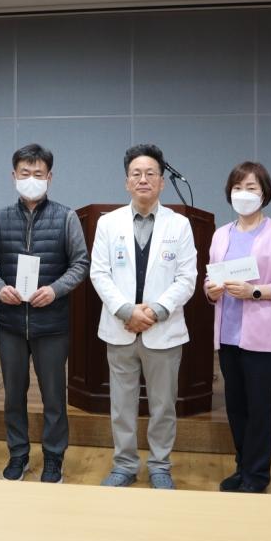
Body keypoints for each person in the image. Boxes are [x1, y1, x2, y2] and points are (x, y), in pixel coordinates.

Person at [0, 144, 90, 484]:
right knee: (14, 394)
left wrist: (55, 290)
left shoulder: (66, 217)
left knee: (54, 396)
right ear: (13, 176)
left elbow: (80, 263)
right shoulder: (0, 218)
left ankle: (54, 457)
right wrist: (0, 288)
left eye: (38, 174)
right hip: (10, 324)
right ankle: (18, 454)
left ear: (49, 177)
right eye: (24, 173)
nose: (31, 179)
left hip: (51, 325)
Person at [89, 143, 196, 490]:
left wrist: (155, 311)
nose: (143, 179)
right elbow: (99, 273)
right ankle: (124, 465)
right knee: (121, 405)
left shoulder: (180, 225)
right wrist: (126, 311)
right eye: (136, 173)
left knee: (163, 406)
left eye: (151, 173)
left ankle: (160, 466)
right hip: (120, 328)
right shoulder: (108, 223)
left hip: (163, 330)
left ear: (162, 182)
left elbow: (187, 278)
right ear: (126, 182)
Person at [205, 162, 271, 494]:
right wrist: (210, 290)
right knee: (236, 407)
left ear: (265, 193)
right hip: (228, 336)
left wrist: (256, 292)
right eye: (237, 188)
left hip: (263, 339)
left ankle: (258, 474)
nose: (243, 194)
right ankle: (242, 466)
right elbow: (210, 278)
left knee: (260, 408)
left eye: (251, 188)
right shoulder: (221, 234)